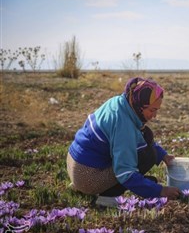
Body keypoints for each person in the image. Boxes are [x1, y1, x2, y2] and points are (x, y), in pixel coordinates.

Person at [66, 77, 180, 207]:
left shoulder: (120, 103)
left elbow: (141, 135)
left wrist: (163, 155)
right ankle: (107, 197)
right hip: (88, 176)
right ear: (139, 105)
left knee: (147, 138)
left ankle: (80, 186)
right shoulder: (124, 126)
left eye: (157, 110)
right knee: (147, 156)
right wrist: (160, 191)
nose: (154, 116)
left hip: (74, 164)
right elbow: (125, 173)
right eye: (152, 110)